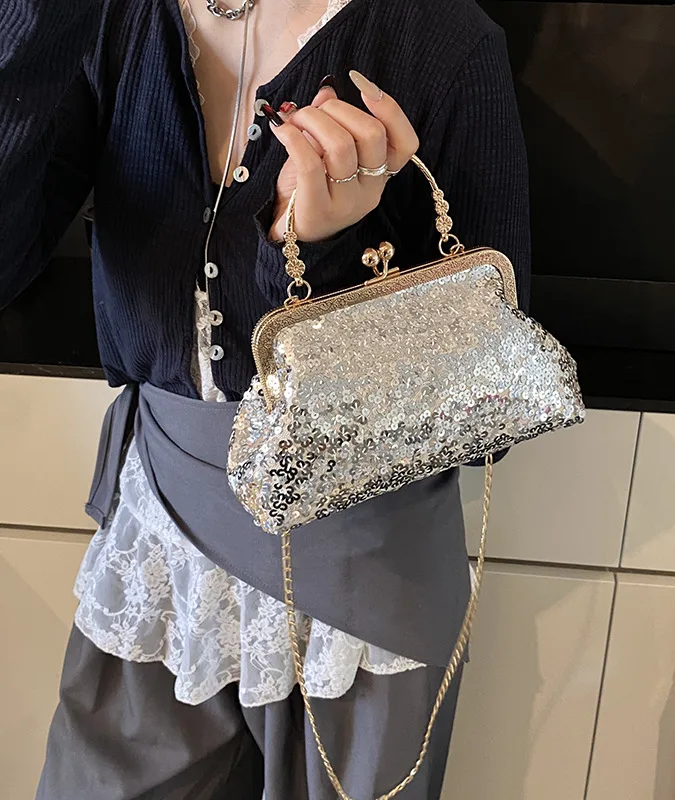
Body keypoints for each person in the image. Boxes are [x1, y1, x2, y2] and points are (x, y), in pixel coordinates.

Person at [0, 0, 530, 797]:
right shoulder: (109, 18)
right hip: (162, 544)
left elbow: (487, 396)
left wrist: (317, 250)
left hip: (361, 578)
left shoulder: (443, 41)